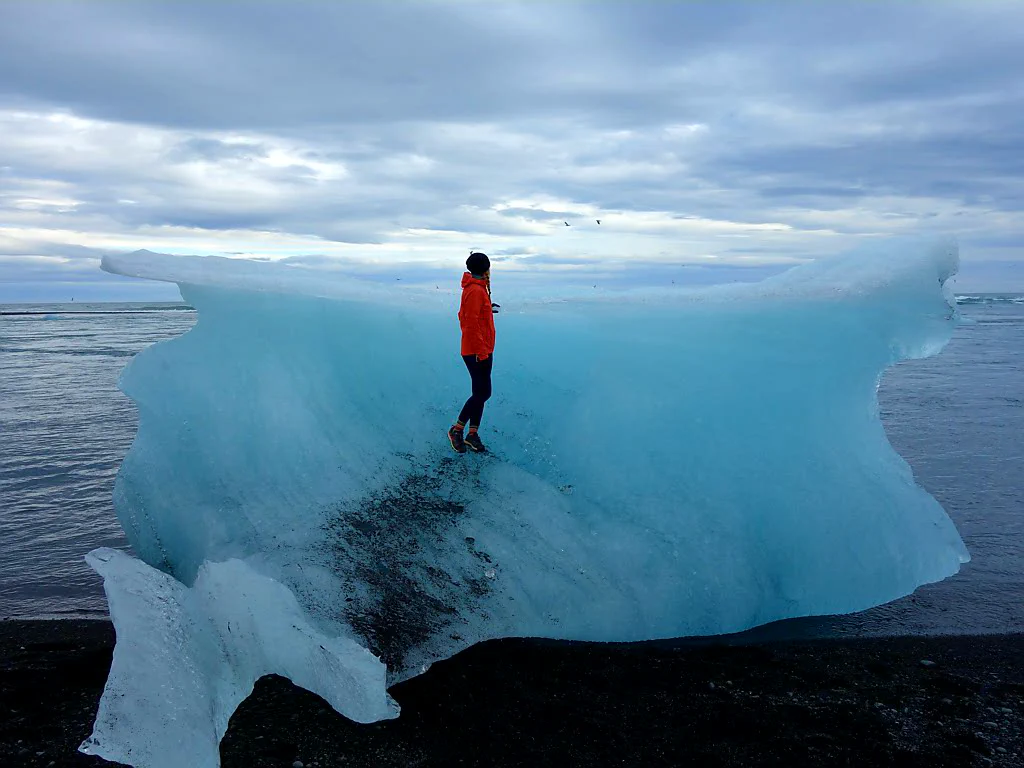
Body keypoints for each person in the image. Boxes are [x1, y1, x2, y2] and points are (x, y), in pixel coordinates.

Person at [449, 252, 496, 453]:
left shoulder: (478, 289)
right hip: (477, 350)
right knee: (482, 393)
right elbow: (469, 323)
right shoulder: (476, 291)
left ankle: (472, 434)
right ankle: (457, 430)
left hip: (482, 348)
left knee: (481, 393)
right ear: (485, 268)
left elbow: (473, 315)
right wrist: (481, 351)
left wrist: (488, 309)